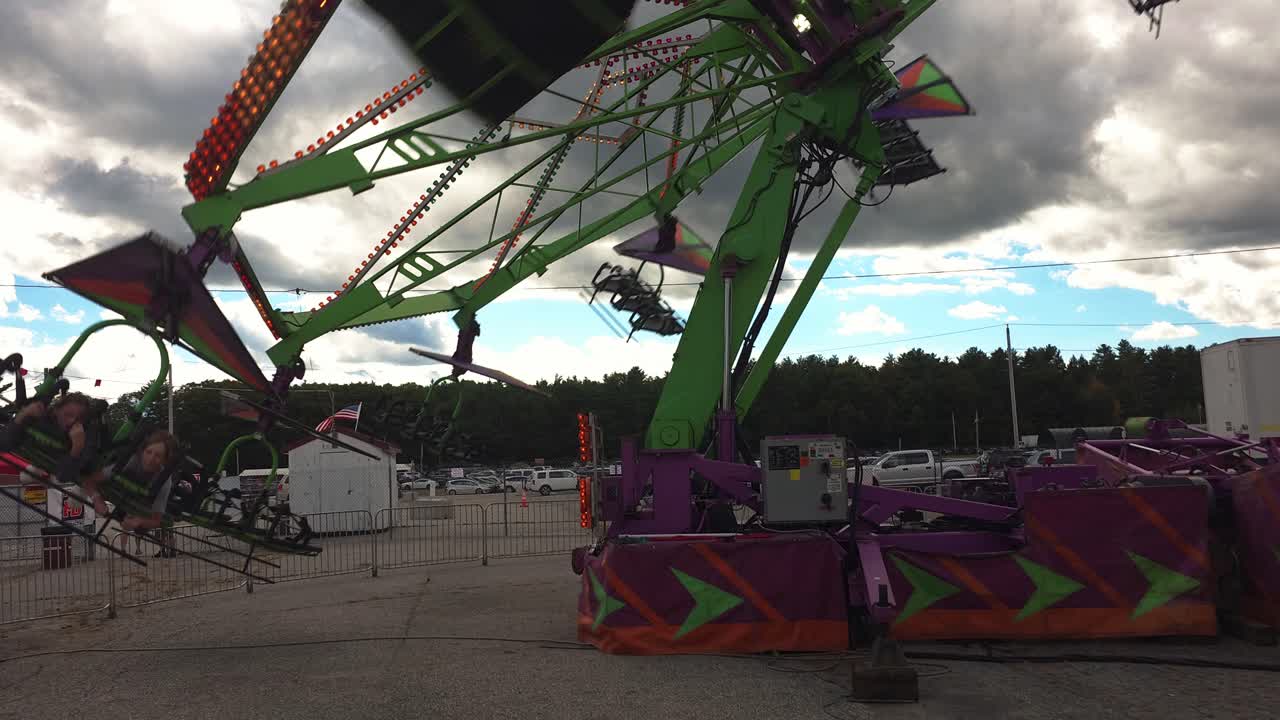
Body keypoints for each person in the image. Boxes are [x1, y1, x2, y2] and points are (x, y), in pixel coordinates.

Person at [83, 429, 180, 532]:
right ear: (142, 451)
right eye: (148, 452)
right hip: (116, 490)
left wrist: (140, 521)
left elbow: (156, 520)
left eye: (158, 456)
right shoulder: (131, 461)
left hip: (138, 503)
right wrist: (96, 499)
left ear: (165, 460)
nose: (151, 459)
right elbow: (89, 481)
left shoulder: (164, 480)